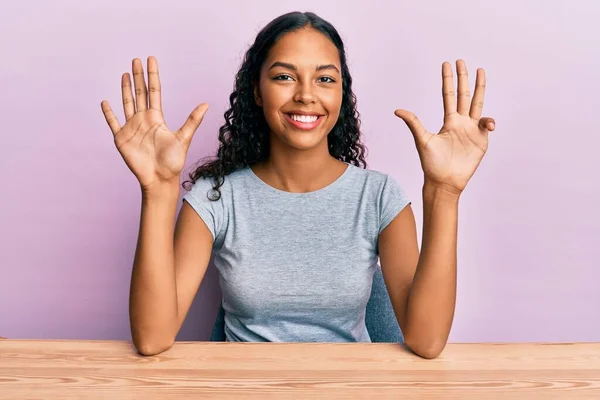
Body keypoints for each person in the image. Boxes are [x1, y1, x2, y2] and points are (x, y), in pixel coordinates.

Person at [100, 11, 496, 358]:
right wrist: (158, 189)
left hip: (351, 389)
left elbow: (426, 342)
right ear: (256, 90)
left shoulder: (378, 197)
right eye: (285, 76)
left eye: (325, 78)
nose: (306, 95)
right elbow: (152, 339)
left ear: (342, 93)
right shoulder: (216, 198)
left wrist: (444, 192)